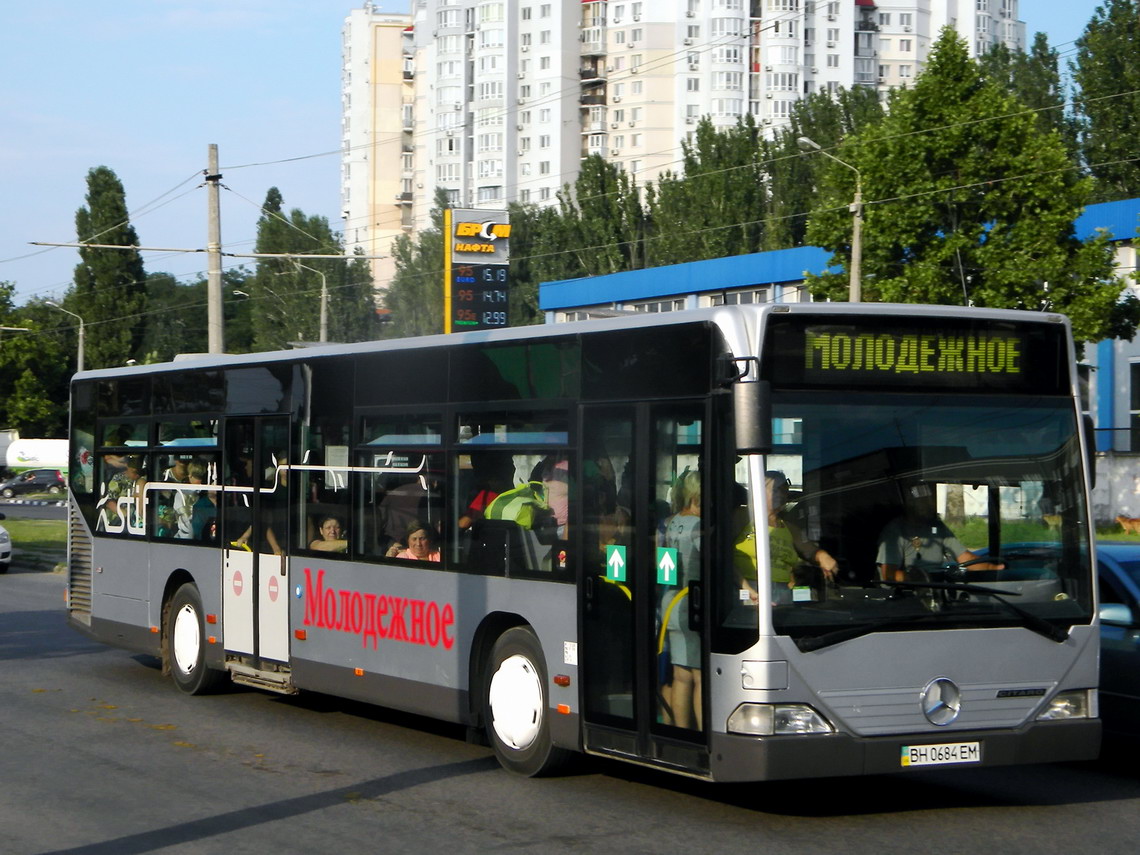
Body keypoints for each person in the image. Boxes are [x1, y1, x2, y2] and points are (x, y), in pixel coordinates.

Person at [877, 481, 1003, 582]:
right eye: (923, 501)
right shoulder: (896, 531)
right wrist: (925, 580)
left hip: (938, 590)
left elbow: (965, 558)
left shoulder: (937, 526)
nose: (930, 504)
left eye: (929, 500)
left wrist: (993, 569)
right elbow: (889, 575)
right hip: (908, 596)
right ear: (910, 503)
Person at [660, 469, 702, 730]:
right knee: (699, 676)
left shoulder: (670, 522)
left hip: (670, 600)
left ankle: (679, 731)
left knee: (680, 674)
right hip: (691, 602)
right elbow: (715, 564)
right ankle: (700, 733)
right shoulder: (697, 526)